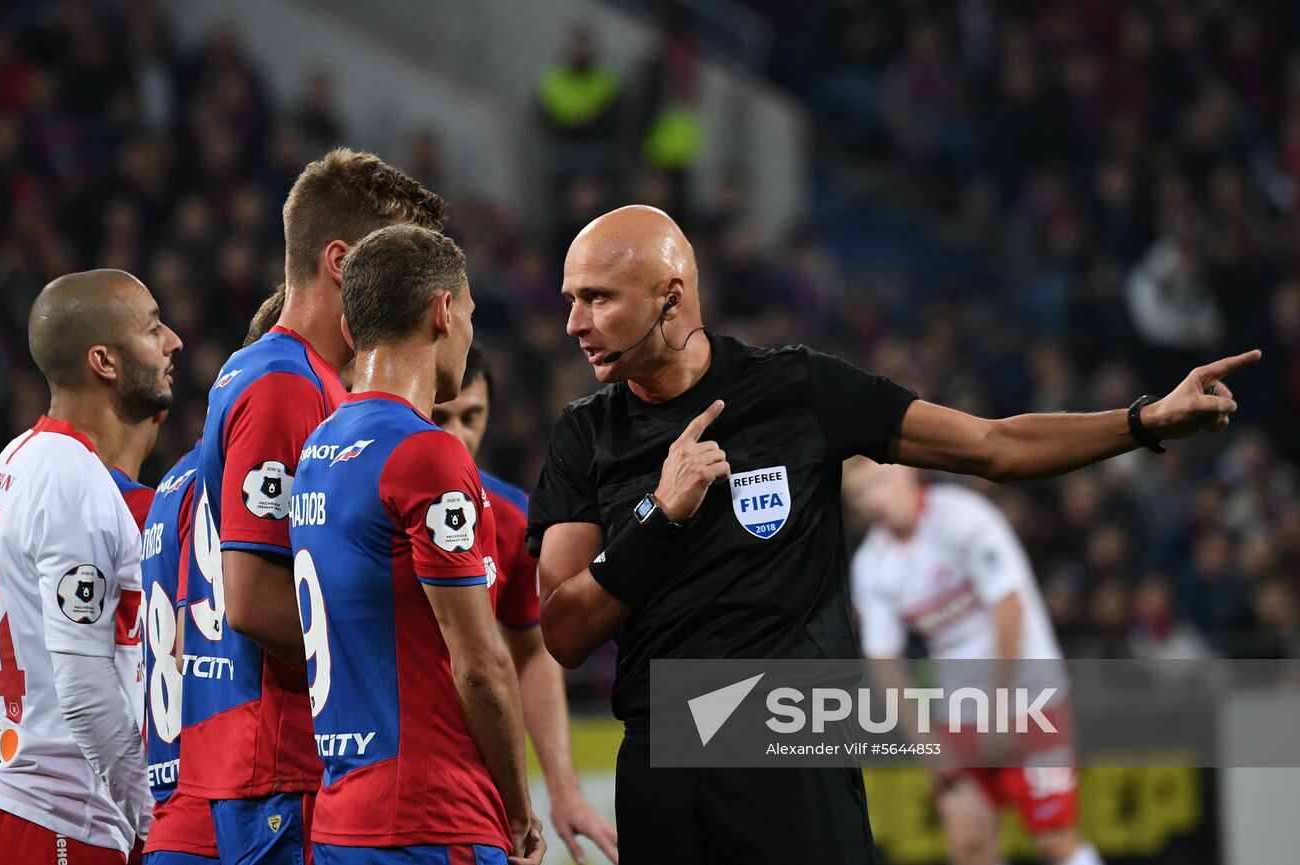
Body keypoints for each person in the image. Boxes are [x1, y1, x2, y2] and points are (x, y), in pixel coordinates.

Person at [526, 205, 1259, 865]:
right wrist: (660, 513)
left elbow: (994, 444)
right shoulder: (584, 435)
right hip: (663, 757)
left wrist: (1140, 421)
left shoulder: (799, 389)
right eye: (570, 300)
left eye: (597, 298)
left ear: (671, 296)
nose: (575, 323)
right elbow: (561, 630)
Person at [180, 148, 444, 865]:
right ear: (340, 260)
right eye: (391, 257)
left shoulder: (291, 376)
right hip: (284, 768)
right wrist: (375, 679)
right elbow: (252, 598)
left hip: (284, 764)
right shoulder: (286, 384)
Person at [0, 269, 183, 864]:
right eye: (154, 327)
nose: (174, 341)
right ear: (104, 362)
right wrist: (157, 824)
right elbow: (83, 687)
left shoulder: (10, 467)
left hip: (6, 808)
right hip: (56, 824)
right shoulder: (76, 483)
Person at [288, 225, 543, 864]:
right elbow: (481, 665)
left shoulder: (317, 453)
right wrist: (516, 808)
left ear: (351, 330)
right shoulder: (426, 453)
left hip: (344, 819)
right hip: (434, 819)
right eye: (471, 317)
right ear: (443, 312)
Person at [844, 459, 1102, 865]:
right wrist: (924, 741)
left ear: (907, 472)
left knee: (1054, 838)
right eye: (857, 494)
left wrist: (998, 708)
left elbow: (1009, 607)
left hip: (1029, 697)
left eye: (876, 483)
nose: (870, 500)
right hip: (960, 710)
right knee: (969, 846)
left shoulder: (964, 518)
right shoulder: (871, 566)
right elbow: (884, 661)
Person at [433, 346, 619, 864]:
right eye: (439, 417)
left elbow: (532, 651)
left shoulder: (511, 518)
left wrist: (562, 789)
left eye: (472, 417)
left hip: (473, 784)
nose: (458, 436)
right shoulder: (362, 497)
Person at [141, 439, 221, 865]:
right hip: (213, 823)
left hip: (171, 819)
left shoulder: (169, 485)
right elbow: (192, 642)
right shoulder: (215, 482)